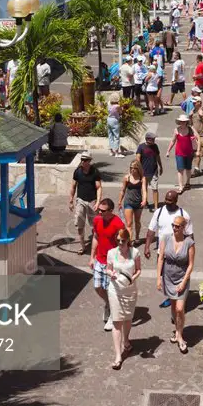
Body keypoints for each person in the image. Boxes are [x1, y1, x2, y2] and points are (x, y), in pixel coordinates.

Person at [158, 215, 195, 353]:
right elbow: (161, 258)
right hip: (168, 277)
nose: (174, 228)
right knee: (173, 306)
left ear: (183, 227)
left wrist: (184, 282)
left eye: (178, 226)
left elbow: (191, 265)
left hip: (181, 277)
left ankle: (180, 335)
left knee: (180, 308)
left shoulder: (189, 243)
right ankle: (177, 331)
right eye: (173, 225)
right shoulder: (166, 238)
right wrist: (158, 278)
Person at [107, 228, 141, 369]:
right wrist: (111, 274)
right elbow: (108, 268)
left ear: (128, 240)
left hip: (130, 290)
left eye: (123, 241)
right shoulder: (112, 253)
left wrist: (132, 278)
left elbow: (139, 270)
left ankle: (126, 341)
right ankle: (118, 356)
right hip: (115, 290)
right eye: (118, 241)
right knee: (117, 321)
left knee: (127, 318)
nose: (120, 243)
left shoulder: (135, 253)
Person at [90, 198, 125, 331]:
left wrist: (121, 262)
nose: (100, 212)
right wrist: (92, 257)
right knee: (97, 287)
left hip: (112, 262)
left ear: (111, 211)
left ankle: (112, 316)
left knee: (112, 290)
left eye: (103, 211)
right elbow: (96, 237)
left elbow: (123, 244)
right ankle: (109, 304)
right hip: (99, 259)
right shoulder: (97, 220)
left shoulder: (118, 224)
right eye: (99, 209)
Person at [143, 188, 194, 260]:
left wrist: (189, 253)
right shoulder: (158, 212)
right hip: (162, 253)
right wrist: (147, 247)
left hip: (178, 254)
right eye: (166, 199)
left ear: (176, 201)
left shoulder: (184, 215)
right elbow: (151, 231)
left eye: (170, 200)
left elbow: (190, 235)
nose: (167, 202)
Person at [69, 151, 102, 253]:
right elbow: (73, 186)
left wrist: (98, 202)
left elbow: (99, 187)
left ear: (89, 161)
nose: (83, 162)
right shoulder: (77, 172)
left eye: (85, 160)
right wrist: (71, 200)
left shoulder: (95, 172)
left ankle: (96, 244)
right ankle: (82, 246)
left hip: (92, 201)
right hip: (81, 200)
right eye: (82, 160)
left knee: (95, 225)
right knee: (79, 225)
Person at [167, 113, 199, 194]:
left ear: (186, 122)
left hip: (189, 153)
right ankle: (180, 187)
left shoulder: (191, 129)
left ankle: (187, 182)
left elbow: (198, 138)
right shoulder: (176, 130)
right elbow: (173, 141)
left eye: (184, 121)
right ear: (179, 122)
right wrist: (168, 151)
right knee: (180, 170)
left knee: (188, 169)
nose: (183, 123)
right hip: (179, 153)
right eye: (181, 121)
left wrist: (198, 150)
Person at [118, 157, 148, 241]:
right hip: (128, 202)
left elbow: (144, 191)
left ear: (138, 169)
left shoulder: (142, 179)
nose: (132, 170)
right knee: (129, 223)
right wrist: (120, 201)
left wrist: (144, 200)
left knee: (137, 222)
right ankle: (130, 241)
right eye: (131, 168)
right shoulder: (126, 178)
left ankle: (137, 236)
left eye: (134, 168)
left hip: (138, 202)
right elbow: (122, 190)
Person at [136, 130, 163, 209]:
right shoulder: (141, 147)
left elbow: (158, 157)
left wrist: (161, 166)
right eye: (152, 139)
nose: (154, 140)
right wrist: (138, 170)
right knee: (144, 189)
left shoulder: (155, 146)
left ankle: (156, 206)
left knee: (155, 189)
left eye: (154, 139)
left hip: (153, 171)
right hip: (143, 172)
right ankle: (145, 202)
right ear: (147, 139)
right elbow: (137, 158)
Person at [107, 92, 122, 157]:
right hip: (114, 120)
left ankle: (111, 151)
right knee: (116, 136)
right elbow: (120, 112)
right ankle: (116, 152)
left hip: (109, 119)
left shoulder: (109, 104)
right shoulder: (117, 106)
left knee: (110, 135)